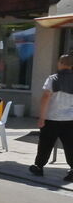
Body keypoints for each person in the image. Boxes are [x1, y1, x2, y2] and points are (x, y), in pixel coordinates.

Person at [30, 53, 73, 181]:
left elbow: (45, 97)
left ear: (60, 63)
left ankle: (39, 167)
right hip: (70, 119)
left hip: (52, 118)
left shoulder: (53, 78)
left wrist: (42, 117)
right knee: (71, 146)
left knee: (45, 144)